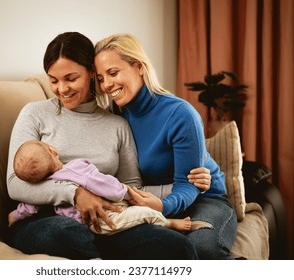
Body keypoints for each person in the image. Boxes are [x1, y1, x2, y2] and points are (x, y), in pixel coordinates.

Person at [6, 32, 210, 260]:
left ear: (92, 74)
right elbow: (15, 183)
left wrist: (186, 184)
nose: (62, 89)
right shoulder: (34, 114)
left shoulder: (117, 124)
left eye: (71, 78)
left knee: (176, 247)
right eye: (53, 80)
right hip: (44, 218)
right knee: (70, 235)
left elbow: (131, 186)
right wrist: (75, 194)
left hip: (106, 220)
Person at [94, 33, 238, 260]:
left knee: (202, 248)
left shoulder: (180, 114)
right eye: (101, 78)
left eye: (113, 73)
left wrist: (162, 206)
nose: (107, 85)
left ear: (138, 67)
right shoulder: (113, 116)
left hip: (204, 199)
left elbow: (189, 184)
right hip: (151, 201)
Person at [9, 140, 192, 234]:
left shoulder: (44, 187)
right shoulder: (78, 167)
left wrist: (15, 215)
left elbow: (28, 207)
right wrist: (125, 192)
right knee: (140, 214)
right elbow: (103, 183)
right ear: (53, 150)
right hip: (102, 218)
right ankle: (167, 222)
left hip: (86, 221)